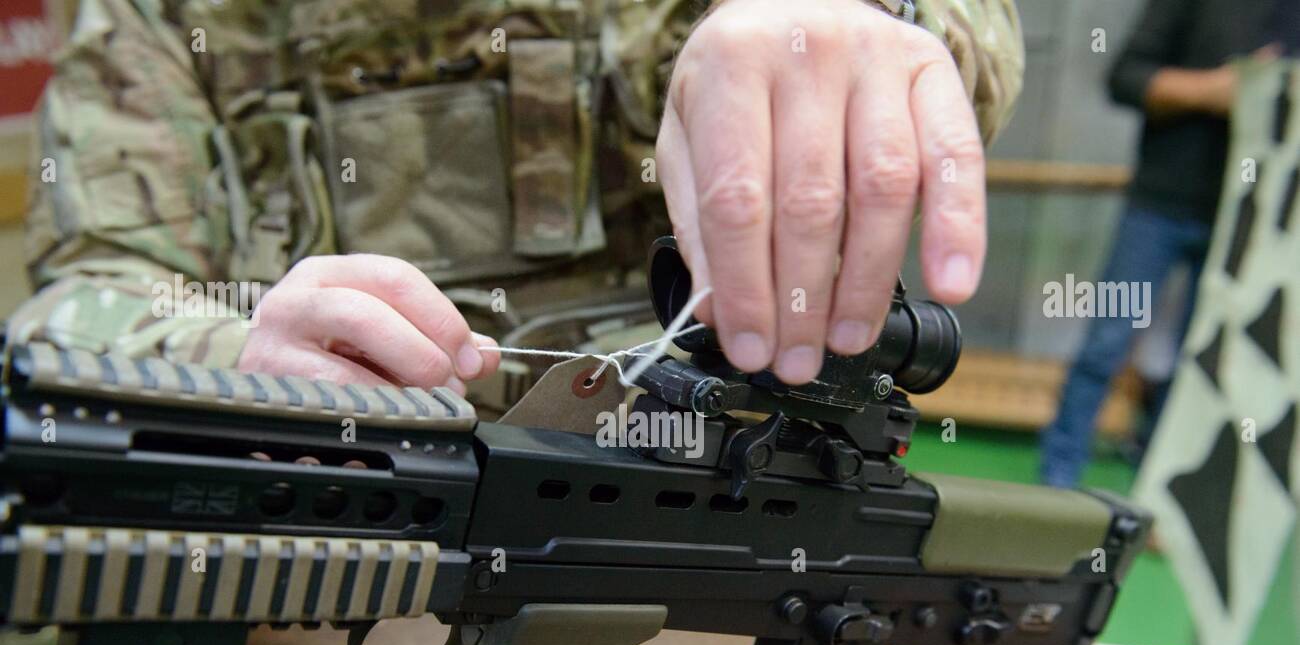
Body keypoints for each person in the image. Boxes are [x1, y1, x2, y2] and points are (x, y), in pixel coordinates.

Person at [8, 0, 1023, 399]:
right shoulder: (166, 18)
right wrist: (237, 362)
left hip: (714, 502)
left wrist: (844, 32)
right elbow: (78, 301)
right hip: (350, 544)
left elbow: (953, 28)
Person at [1039, 0, 1296, 489]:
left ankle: (1156, 496)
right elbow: (1126, 78)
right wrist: (1219, 90)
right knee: (1106, 344)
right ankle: (1058, 482)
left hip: (1246, 223)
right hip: (1158, 207)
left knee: (1199, 368)